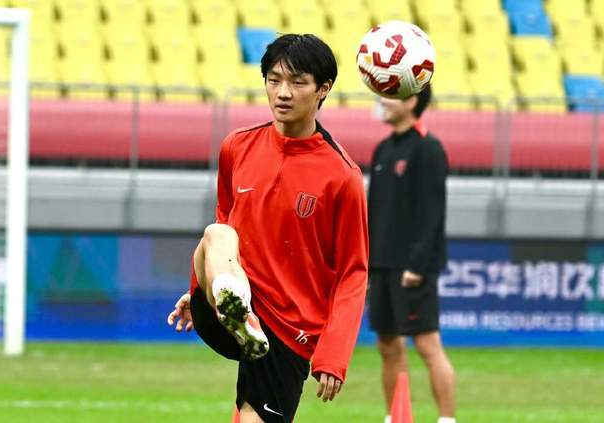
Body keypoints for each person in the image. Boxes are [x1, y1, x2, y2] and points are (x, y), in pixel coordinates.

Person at [167, 34, 369, 423]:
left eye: (297, 82)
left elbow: (353, 272)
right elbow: (227, 217)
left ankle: (240, 314)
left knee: (251, 417)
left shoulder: (342, 177)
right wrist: (202, 288)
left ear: (323, 89)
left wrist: (334, 354)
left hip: (288, 329)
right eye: (274, 80)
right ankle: (234, 306)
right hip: (237, 302)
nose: (283, 92)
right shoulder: (236, 146)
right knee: (217, 233)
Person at [367, 85, 456, 423]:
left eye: (391, 94)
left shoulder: (428, 148)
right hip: (381, 265)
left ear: (412, 100)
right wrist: (367, 265)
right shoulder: (383, 149)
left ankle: (446, 419)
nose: (383, 100)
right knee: (387, 345)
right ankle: (396, 417)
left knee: (427, 345)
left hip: (412, 268)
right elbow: (374, 212)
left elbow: (432, 213)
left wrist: (417, 265)